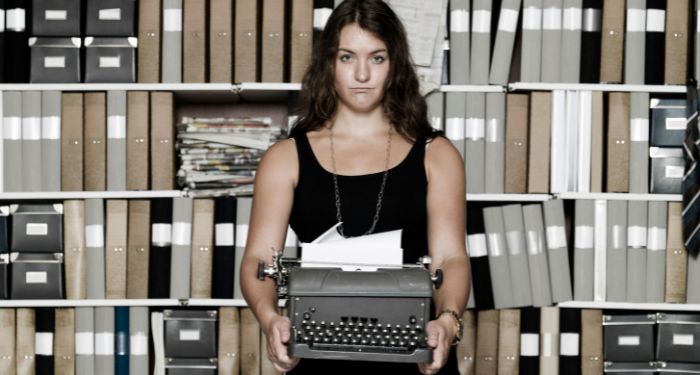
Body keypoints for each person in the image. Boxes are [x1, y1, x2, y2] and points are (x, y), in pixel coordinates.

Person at [240, 1, 470, 374]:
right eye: (348, 57)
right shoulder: (284, 158)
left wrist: (447, 321)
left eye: (376, 58)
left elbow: (450, 259)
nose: (362, 73)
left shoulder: (437, 154)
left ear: (394, 64)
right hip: (318, 346)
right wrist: (269, 318)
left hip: (415, 344)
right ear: (328, 62)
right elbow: (259, 261)